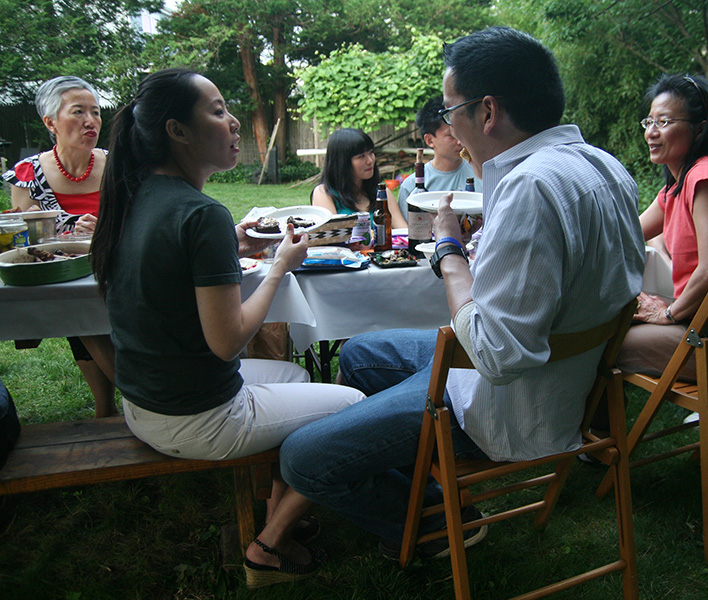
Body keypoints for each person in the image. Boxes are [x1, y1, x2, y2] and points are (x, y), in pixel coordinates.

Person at [278, 26, 645, 559]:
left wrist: (449, 251)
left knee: (302, 459)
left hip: (506, 406)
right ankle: (413, 476)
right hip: (570, 383)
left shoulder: (529, 186)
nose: (449, 127)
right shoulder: (605, 165)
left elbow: (496, 355)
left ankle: (433, 519)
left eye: (451, 113)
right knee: (358, 353)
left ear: (488, 111)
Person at [90, 68, 366, 588]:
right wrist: (279, 267)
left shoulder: (137, 195)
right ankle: (268, 548)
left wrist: (230, 245)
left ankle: (281, 511)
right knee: (354, 405)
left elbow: (175, 274)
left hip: (144, 403)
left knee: (298, 378)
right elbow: (228, 342)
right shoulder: (200, 214)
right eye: (217, 111)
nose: (234, 121)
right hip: (197, 417)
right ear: (178, 131)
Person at [617, 74, 708, 380]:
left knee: (601, 343)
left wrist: (667, 313)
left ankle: (597, 418)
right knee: (611, 323)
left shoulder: (705, 178)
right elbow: (626, 234)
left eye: (664, 122)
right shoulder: (676, 186)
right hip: (700, 319)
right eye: (649, 122)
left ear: (699, 128)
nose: (651, 133)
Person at [1, 76, 116, 417]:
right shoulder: (28, 173)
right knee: (76, 308)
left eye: (95, 112)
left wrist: (107, 229)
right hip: (65, 272)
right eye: (78, 112)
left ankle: (132, 399)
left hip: (118, 264)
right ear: (50, 122)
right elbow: (26, 240)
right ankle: (110, 404)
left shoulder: (117, 165)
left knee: (83, 311)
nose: (90, 121)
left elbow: (140, 218)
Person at [397, 95, 481, 220]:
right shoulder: (411, 187)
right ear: (430, 140)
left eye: (460, 132)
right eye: (451, 135)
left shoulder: (480, 175)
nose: (460, 141)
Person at [311, 128, 407, 229]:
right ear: (342, 162)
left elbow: (403, 231)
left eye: (371, 152)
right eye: (361, 156)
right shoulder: (324, 193)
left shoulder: (382, 193)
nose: (370, 160)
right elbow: (333, 235)